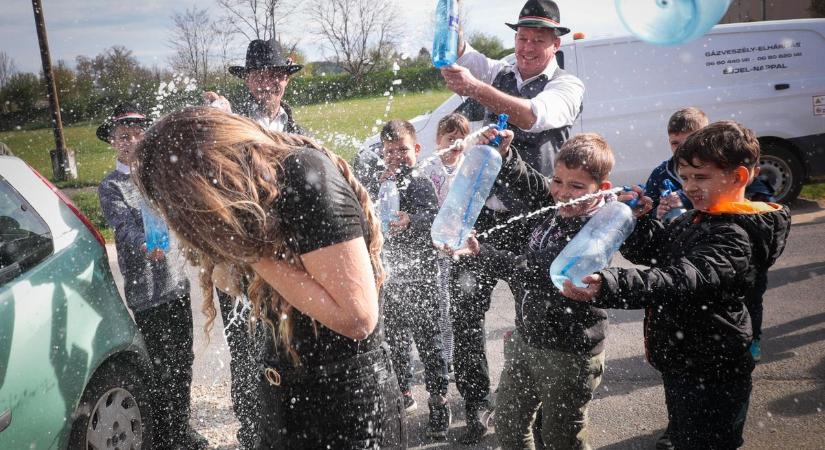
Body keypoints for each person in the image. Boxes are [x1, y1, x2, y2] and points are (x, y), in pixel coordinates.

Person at [133, 106, 406, 449]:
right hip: (284, 393)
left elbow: (357, 317)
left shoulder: (304, 175)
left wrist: (249, 252)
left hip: (346, 405)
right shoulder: (253, 197)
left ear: (204, 178)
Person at [561, 121, 791, 450]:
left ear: (739, 177)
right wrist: (639, 222)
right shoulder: (699, 217)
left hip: (715, 368)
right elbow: (656, 253)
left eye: (700, 177)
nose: (690, 186)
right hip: (684, 359)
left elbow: (680, 278)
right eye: (685, 178)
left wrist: (609, 284)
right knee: (685, 435)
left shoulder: (736, 235)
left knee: (709, 442)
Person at [439, 2, 585, 441]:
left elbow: (532, 115)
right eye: (521, 37)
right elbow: (461, 54)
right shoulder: (501, 67)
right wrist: (448, 18)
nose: (526, 47)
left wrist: (476, 90)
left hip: (535, 219)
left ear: (555, 43)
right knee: (464, 318)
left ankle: (539, 416)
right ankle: (477, 405)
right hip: (482, 218)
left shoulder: (568, 85)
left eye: (538, 39)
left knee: (536, 321)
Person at [453, 131, 638, 450]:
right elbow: (532, 183)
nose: (563, 193)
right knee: (509, 425)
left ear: (601, 189)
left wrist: (480, 252)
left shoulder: (596, 231)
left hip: (568, 353)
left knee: (560, 438)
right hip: (528, 340)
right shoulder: (560, 203)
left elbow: (533, 270)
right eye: (559, 181)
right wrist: (507, 156)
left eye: (576, 186)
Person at [203, 38, 307, 448]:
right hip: (239, 263)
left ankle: (287, 432)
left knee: (288, 351)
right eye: (261, 75)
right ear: (247, 80)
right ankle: (252, 436)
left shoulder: (297, 129)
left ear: (286, 79)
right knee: (248, 358)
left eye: (277, 74)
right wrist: (217, 122)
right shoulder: (226, 123)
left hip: (285, 263)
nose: (269, 82)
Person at [96, 103, 208, 450]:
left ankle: (181, 428)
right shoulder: (112, 186)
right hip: (147, 292)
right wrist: (146, 245)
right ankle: (164, 437)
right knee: (160, 368)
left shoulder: (158, 176)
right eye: (122, 137)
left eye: (136, 135)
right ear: (114, 142)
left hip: (176, 284)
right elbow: (123, 228)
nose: (130, 142)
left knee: (183, 361)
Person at [368, 120, 452, 440]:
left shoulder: (420, 183)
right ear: (382, 154)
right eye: (390, 151)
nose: (397, 156)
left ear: (416, 149)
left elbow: (435, 218)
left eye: (403, 149)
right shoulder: (382, 184)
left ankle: (439, 401)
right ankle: (403, 393)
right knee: (396, 343)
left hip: (422, 281)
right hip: (391, 280)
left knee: (430, 344)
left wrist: (412, 219)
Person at [418, 113, 472, 372]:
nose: (457, 144)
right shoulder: (427, 169)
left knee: (463, 304)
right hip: (435, 246)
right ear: (438, 141)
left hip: (461, 245)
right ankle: (446, 360)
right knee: (442, 304)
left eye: (462, 139)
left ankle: (457, 355)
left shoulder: (469, 167)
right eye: (451, 139)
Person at [644, 107, 709, 215]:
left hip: (711, 227)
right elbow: (648, 211)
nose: (681, 149)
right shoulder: (661, 174)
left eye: (688, 142)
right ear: (669, 142)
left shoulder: (714, 169)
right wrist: (658, 212)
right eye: (675, 143)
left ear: (704, 140)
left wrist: (686, 198)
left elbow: (723, 196)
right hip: (678, 230)